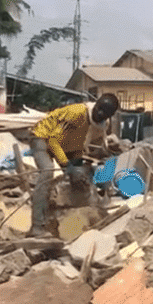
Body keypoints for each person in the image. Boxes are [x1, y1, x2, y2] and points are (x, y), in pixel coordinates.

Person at [29, 94, 120, 237]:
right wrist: (67, 166)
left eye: (105, 113)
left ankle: (74, 224)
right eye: (99, 108)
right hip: (42, 137)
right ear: (95, 105)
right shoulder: (77, 113)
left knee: (80, 177)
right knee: (47, 172)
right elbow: (53, 141)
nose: (100, 113)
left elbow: (77, 144)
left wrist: (77, 169)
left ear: (110, 116)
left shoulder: (100, 126)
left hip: (65, 145)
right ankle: (37, 226)